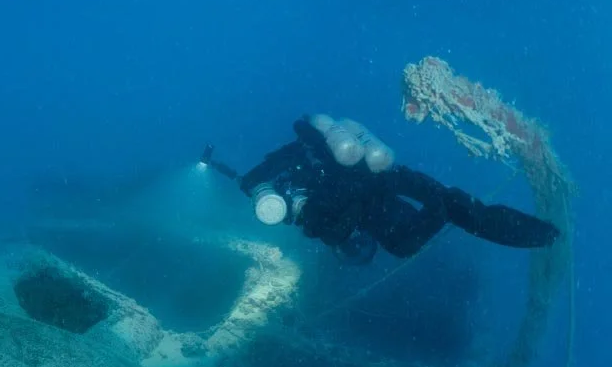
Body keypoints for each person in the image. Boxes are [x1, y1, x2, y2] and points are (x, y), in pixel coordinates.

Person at [203, 115, 561, 264]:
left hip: (360, 194)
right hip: (380, 176)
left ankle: (540, 234)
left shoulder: (296, 167)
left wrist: (245, 182)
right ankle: (537, 233)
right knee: (452, 206)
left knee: (404, 241)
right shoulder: (320, 150)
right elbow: (249, 181)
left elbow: (252, 182)